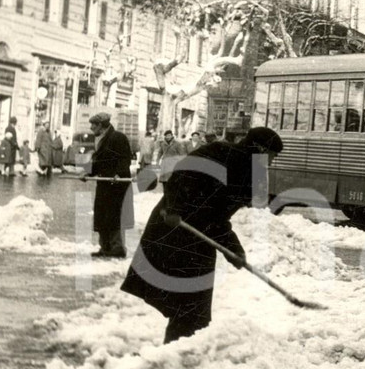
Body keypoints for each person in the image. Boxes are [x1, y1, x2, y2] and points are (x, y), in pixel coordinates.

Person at [121, 127, 284, 343]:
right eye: (271, 156)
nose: (271, 163)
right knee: (188, 306)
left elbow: (218, 218)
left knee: (193, 308)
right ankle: (176, 354)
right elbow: (177, 175)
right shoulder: (218, 152)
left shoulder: (250, 175)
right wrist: (175, 209)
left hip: (199, 236)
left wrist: (234, 250)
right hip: (173, 229)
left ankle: (178, 352)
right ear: (259, 150)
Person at [82, 112, 133, 258]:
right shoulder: (101, 139)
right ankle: (104, 247)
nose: (91, 128)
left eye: (93, 125)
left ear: (100, 125)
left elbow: (125, 159)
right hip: (104, 183)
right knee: (102, 213)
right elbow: (98, 163)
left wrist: (119, 174)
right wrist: (88, 173)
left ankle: (117, 248)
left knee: (114, 215)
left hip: (117, 184)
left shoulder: (118, 137)